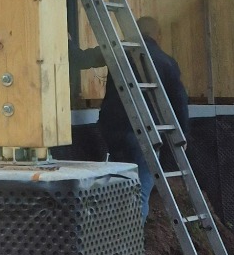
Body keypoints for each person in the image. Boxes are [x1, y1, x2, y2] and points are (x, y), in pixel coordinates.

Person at [75, 15, 190, 221]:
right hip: (145, 135)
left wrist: (67, 43)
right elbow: (179, 102)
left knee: (118, 184)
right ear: (159, 35)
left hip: (111, 130)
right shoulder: (166, 62)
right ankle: (133, 244)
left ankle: (111, 235)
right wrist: (182, 136)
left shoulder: (117, 52)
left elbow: (81, 60)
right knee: (141, 191)